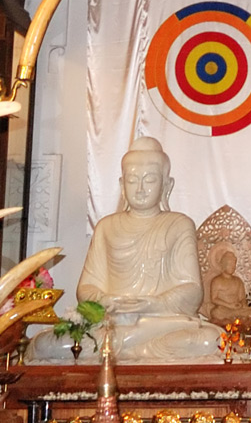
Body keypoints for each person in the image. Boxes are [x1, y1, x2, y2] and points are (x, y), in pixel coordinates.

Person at [76, 139, 222, 361]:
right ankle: (132, 350)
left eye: (150, 180)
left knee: (209, 339)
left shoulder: (178, 224)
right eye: (132, 181)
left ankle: (125, 350)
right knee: (47, 344)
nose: (141, 189)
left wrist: (153, 303)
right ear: (122, 185)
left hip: (159, 324)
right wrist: (107, 300)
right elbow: (85, 289)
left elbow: (192, 291)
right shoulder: (106, 227)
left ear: (166, 185)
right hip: (113, 323)